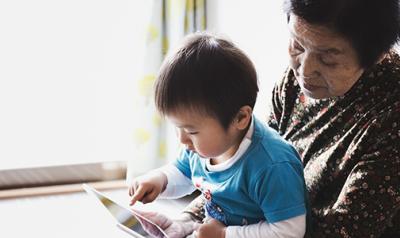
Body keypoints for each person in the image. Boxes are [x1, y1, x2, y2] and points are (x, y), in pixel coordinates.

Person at [130, 0, 400, 237]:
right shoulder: (295, 83)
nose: (304, 71)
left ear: (375, 55)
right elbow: (246, 169)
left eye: (328, 59)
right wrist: (187, 222)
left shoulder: (391, 117)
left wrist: (225, 234)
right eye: (297, 44)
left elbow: (344, 231)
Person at [128, 33, 308, 238]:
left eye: (191, 131)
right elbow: (183, 172)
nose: (182, 140)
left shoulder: (272, 166)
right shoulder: (199, 147)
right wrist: (159, 181)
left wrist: (224, 235)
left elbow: (289, 232)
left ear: (240, 118)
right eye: (177, 128)